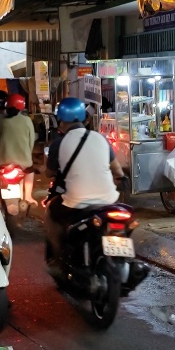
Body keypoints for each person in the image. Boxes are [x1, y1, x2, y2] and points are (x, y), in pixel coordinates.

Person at [44, 97, 124, 275]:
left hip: (77, 203)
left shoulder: (59, 143)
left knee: (51, 211)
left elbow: (49, 173)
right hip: (109, 201)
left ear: (60, 120)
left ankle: (59, 259)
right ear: (83, 118)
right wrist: (117, 179)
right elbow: (118, 171)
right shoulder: (101, 139)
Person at [0, 93, 38, 211]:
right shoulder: (27, 121)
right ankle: (28, 196)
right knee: (30, 169)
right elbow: (31, 142)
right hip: (22, 162)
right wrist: (27, 155)